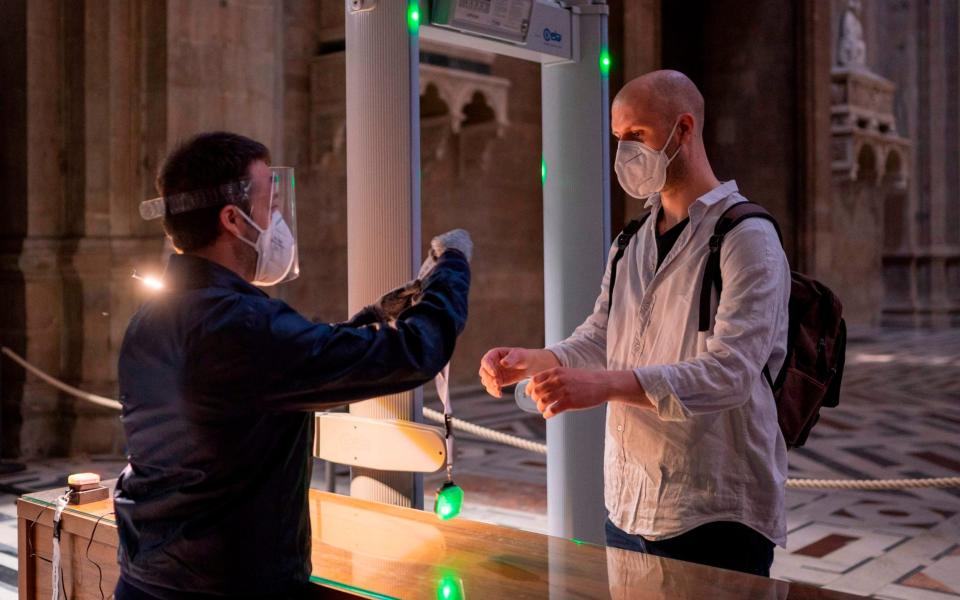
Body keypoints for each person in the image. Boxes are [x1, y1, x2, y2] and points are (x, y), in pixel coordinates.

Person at [115, 131, 471, 599]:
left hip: (150, 574)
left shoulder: (154, 316)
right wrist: (452, 270)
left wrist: (371, 318)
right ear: (232, 219)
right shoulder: (237, 323)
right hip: (226, 585)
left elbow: (293, 359)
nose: (278, 219)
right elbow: (411, 354)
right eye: (272, 205)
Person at [479, 71, 790, 576]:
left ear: (683, 130)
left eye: (637, 136)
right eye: (618, 138)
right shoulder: (631, 241)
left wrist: (601, 386)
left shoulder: (745, 237)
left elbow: (731, 373)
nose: (624, 152)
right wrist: (537, 360)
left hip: (712, 513)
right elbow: (602, 335)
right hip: (628, 506)